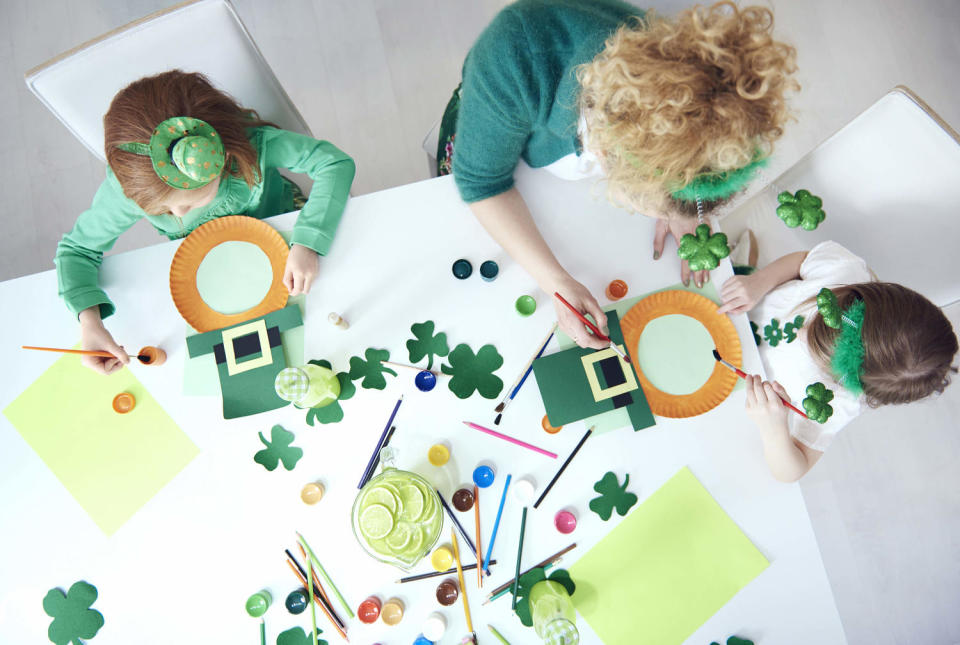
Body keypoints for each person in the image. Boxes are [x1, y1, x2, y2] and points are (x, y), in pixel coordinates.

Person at [446, 0, 798, 348]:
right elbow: (482, 183)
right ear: (605, 156)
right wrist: (556, 282)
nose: (665, 215)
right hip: (485, 134)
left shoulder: (681, 88)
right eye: (659, 208)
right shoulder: (515, 56)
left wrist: (688, 208)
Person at [55, 70, 356, 375]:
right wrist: (89, 321)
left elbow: (334, 163)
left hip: (291, 241)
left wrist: (308, 240)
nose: (179, 213)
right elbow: (76, 251)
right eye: (163, 210)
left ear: (224, 159)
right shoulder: (128, 189)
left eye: (190, 201)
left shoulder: (253, 147)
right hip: (219, 274)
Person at [717, 241, 958, 481]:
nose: (800, 333)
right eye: (817, 320)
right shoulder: (844, 272)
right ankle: (747, 263)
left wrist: (774, 430)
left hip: (727, 384)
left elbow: (793, 471)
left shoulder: (839, 401)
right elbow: (803, 261)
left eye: (816, 348)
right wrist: (761, 280)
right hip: (737, 306)